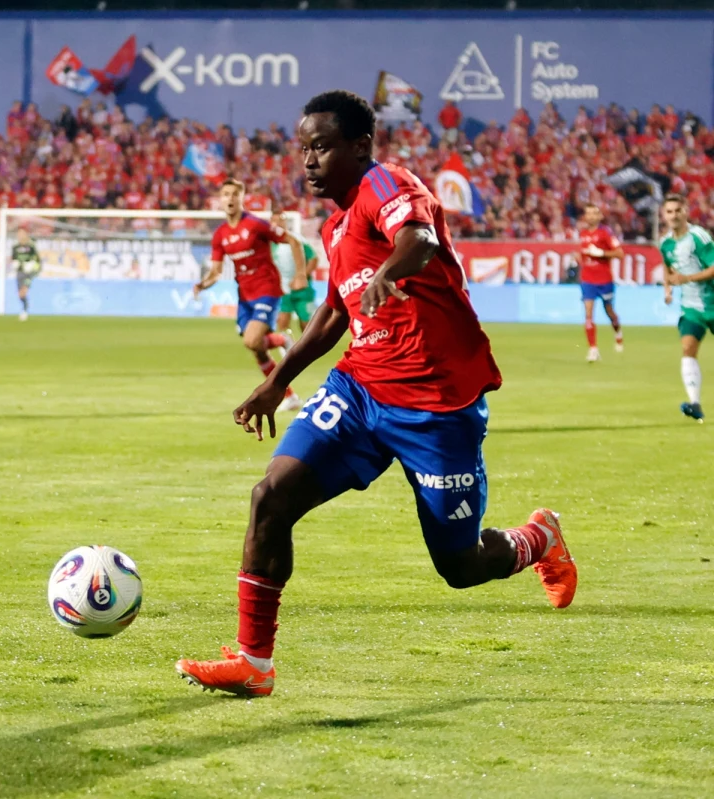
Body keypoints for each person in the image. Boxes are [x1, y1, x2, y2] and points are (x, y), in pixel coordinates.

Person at [176, 90, 576, 698]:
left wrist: (390, 270)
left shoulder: (386, 183)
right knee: (270, 497)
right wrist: (277, 382)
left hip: (435, 403)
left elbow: (419, 238)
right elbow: (335, 312)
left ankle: (537, 538)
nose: (309, 160)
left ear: (360, 146)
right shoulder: (334, 226)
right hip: (360, 389)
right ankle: (254, 663)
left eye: (321, 146)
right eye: (303, 148)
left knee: (460, 566)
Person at [194, 179, 307, 412]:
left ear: (241, 198)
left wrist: (300, 275)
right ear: (220, 200)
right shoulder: (220, 235)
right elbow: (216, 271)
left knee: (252, 340)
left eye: (234, 194)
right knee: (257, 349)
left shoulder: (256, 225)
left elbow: (293, 241)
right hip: (244, 297)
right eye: (226, 194)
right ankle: (290, 395)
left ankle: (281, 341)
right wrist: (203, 284)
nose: (230, 198)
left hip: (267, 290)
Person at [660, 194, 714, 422]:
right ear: (664, 215)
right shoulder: (665, 243)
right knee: (688, 348)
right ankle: (695, 404)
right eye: (669, 211)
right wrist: (668, 289)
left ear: (686, 212)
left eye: (677, 211)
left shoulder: (698, 237)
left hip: (712, 302)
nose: (673, 215)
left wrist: (687, 278)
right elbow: (667, 267)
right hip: (691, 307)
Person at [576, 203, 625, 362]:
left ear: (599, 216)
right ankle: (593, 349)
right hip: (588, 279)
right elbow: (584, 256)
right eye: (588, 213)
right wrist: (578, 259)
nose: (590, 216)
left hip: (604, 280)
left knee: (609, 312)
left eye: (594, 213)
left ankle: (618, 333)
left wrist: (602, 253)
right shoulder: (583, 234)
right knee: (588, 314)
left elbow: (620, 254)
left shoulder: (606, 233)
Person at [270, 209, 318, 335]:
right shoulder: (269, 242)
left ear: (286, 222)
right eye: (275, 220)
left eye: (281, 220)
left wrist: (301, 276)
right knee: (282, 323)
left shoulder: (297, 239)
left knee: (307, 324)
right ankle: (288, 346)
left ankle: (309, 346)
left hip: (301, 289)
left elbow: (313, 259)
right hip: (281, 289)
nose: (278, 223)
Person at [11, 227, 41, 321]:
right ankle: (25, 307)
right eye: (19, 234)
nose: (20, 236)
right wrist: (15, 263)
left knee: (24, 291)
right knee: (20, 294)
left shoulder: (31, 246)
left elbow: (37, 259)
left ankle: (25, 310)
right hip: (20, 272)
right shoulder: (15, 247)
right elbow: (13, 258)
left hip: (29, 273)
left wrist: (33, 266)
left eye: (22, 233)